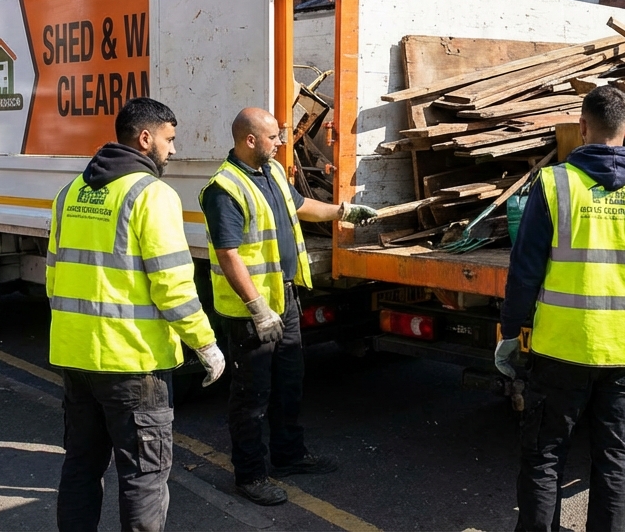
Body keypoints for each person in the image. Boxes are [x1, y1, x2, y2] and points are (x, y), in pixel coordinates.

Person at [495, 85, 625, 532]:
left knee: (544, 457)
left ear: (581, 128)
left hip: (561, 347)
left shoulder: (556, 183)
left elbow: (524, 273)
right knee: (615, 462)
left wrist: (508, 335)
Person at [48, 97, 226, 532]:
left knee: (81, 468)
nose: (173, 149)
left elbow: (54, 275)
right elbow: (172, 285)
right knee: (144, 479)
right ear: (145, 138)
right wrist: (205, 343)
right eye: (169, 139)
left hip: (76, 357)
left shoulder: (71, 192)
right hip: (133, 364)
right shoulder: (151, 195)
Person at [200, 107, 378, 506]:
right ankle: (249, 475)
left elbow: (300, 207)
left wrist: (343, 212)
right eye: (273, 137)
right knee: (252, 395)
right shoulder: (224, 188)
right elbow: (228, 255)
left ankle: (288, 455)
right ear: (250, 140)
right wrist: (257, 307)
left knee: (289, 381)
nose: (281, 143)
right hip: (253, 311)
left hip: (285, 296)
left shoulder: (272, 172)